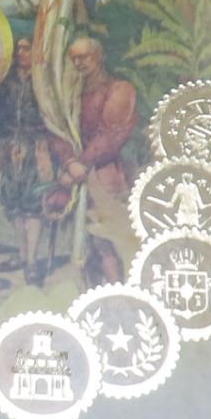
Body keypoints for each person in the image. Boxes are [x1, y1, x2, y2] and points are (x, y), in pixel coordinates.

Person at [46, 35, 139, 284]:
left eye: (83, 57)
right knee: (83, 244)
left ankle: (118, 291)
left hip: (105, 175)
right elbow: (58, 129)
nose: (78, 63)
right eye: (73, 59)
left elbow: (112, 134)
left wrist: (81, 164)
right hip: (75, 176)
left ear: (98, 57)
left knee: (106, 241)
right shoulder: (70, 95)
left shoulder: (119, 90)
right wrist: (69, 162)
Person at [0, 36, 56, 286]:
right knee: (12, 203)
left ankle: (32, 262)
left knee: (33, 204)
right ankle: (23, 254)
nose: (21, 53)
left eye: (27, 48)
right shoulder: (6, 81)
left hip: (36, 147)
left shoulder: (45, 80)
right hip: (8, 146)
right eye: (19, 49)